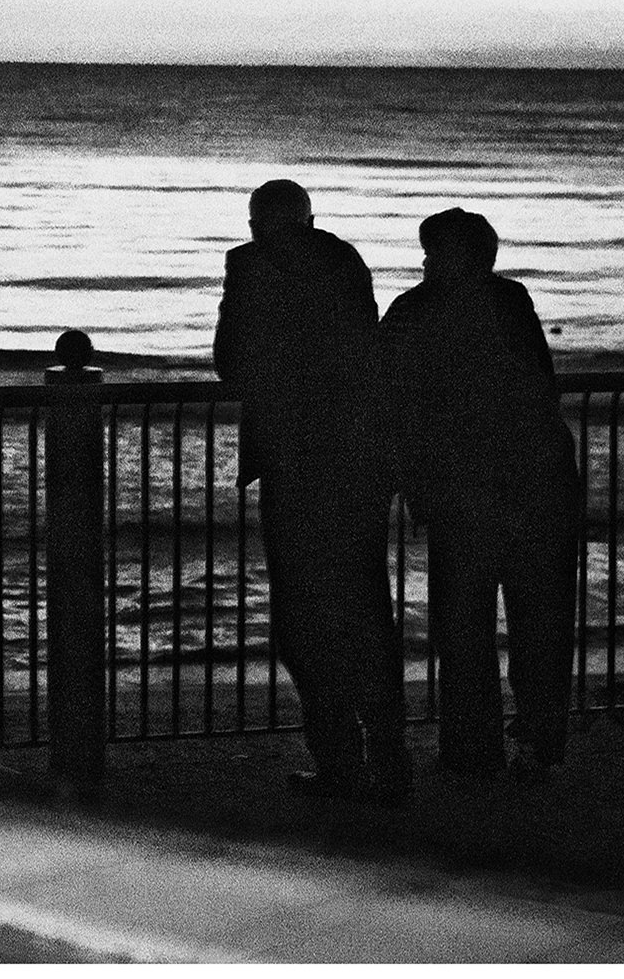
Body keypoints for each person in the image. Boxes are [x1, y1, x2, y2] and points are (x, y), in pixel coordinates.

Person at [213, 178, 410, 805]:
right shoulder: (346, 259)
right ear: (311, 218)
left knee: (301, 615)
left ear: (257, 223)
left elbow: (232, 361)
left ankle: (338, 759)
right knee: (364, 606)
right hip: (360, 456)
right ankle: (389, 754)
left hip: (297, 459)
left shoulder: (250, 264)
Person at [377, 206, 580, 784]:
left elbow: (394, 398)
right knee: (539, 619)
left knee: (463, 625)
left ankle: (473, 750)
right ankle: (539, 743)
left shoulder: (415, 310)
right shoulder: (511, 301)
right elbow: (537, 384)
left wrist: (411, 477)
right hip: (537, 482)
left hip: (463, 491)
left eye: (431, 250)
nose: (423, 260)